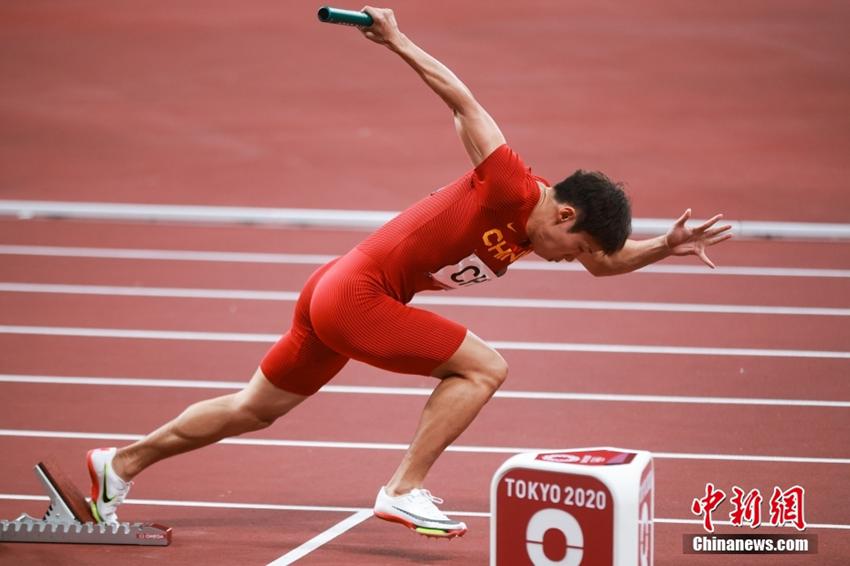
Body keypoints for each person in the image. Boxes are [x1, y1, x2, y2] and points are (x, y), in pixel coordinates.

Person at [85, 6, 732, 539]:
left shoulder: (542, 232)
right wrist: (396, 39)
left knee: (253, 408)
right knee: (484, 367)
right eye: (574, 246)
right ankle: (403, 489)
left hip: (334, 290)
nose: (571, 260)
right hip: (355, 294)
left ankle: (119, 463)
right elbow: (462, 100)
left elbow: (607, 264)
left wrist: (663, 245)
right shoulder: (508, 184)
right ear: (563, 213)